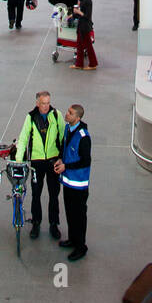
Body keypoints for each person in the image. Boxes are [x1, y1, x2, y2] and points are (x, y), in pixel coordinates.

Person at [15, 91, 66, 240]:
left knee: (54, 194)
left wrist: (62, 158)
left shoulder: (57, 115)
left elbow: (63, 136)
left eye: (48, 103)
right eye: (43, 103)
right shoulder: (30, 117)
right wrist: (19, 160)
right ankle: (36, 222)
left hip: (53, 161)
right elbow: (23, 138)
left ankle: (54, 223)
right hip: (37, 162)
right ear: (37, 103)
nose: (46, 106)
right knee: (36, 193)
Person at [53, 103, 91, 261]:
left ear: (78, 117)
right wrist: (61, 159)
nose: (66, 115)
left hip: (79, 185)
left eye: (70, 113)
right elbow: (64, 148)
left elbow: (85, 161)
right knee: (69, 212)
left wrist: (66, 166)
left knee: (79, 216)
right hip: (68, 182)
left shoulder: (83, 137)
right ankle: (73, 239)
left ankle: (81, 246)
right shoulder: (68, 129)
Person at [72, 0, 97, 70]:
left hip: (85, 26)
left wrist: (78, 12)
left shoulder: (87, 0)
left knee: (88, 45)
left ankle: (93, 63)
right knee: (79, 44)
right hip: (81, 25)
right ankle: (79, 63)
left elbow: (87, 15)